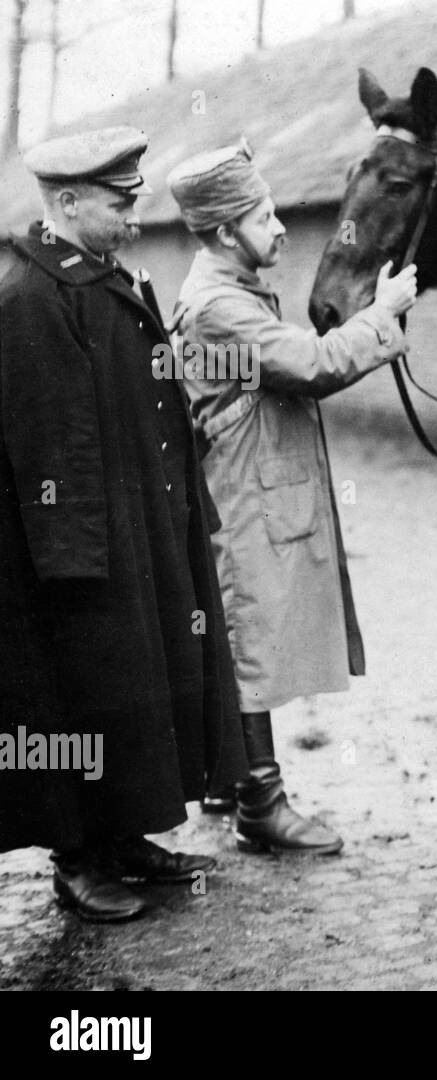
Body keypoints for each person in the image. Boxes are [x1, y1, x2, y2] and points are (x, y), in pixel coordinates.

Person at [0, 127, 247, 921]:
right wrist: (74, 560)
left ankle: (127, 835)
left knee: (138, 690)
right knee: (78, 698)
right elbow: (45, 440)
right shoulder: (31, 297)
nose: (134, 216)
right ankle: (78, 858)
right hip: (76, 548)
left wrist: (182, 504)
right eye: (119, 202)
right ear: (67, 203)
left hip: (139, 524)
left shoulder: (102, 276)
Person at [166, 139, 417, 855]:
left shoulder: (228, 285)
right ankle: (261, 805)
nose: (280, 228)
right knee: (253, 637)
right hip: (246, 494)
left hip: (253, 484)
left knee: (249, 630)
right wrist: (384, 311)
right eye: (265, 217)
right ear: (224, 233)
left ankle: (228, 777)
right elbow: (309, 363)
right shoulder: (220, 305)